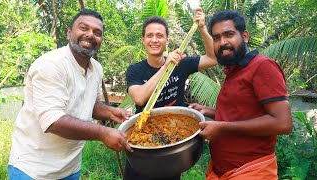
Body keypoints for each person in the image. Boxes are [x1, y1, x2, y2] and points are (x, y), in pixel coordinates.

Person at [8, 9, 133, 180]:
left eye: (97, 33)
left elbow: (91, 104)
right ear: (69, 33)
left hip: (70, 168)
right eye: (83, 28)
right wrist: (103, 133)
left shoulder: (96, 68)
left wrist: (111, 112)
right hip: (33, 169)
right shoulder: (51, 65)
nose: (90, 35)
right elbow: (52, 121)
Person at [189, 10, 293, 179]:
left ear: (244, 36)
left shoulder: (262, 66)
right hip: (223, 170)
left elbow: (282, 123)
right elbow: (244, 113)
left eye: (229, 34)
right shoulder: (234, 70)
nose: (222, 42)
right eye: (216, 38)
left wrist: (221, 127)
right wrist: (209, 111)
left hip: (252, 171)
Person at [124, 8, 217, 180]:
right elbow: (139, 97)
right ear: (143, 39)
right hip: (142, 147)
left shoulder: (181, 64)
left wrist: (202, 28)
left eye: (159, 36)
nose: (154, 40)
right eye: (150, 35)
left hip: (172, 144)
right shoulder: (135, 70)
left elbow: (213, 58)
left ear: (167, 40)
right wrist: (165, 67)